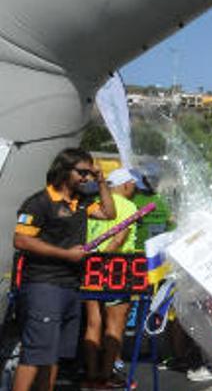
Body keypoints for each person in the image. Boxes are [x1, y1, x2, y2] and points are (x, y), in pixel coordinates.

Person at [12, 148, 116, 391]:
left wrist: (101, 181)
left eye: (90, 173)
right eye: (82, 172)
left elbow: (109, 213)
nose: (86, 178)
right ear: (64, 170)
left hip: (70, 285)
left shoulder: (81, 201)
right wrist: (66, 254)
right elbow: (21, 241)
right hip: (43, 285)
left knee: (53, 355)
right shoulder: (39, 202)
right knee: (35, 354)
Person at [81, 169, 142, 389]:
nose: (135, 190)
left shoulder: (98, 203)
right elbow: (118, 239)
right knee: (114, 323)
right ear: (126, 185)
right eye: (134, 185)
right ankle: (105, 376)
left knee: (92, 322)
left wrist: (96, 261)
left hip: (90, 267)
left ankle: (91, 374)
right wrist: (106, 260)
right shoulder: (127, 206)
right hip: (116, 268)